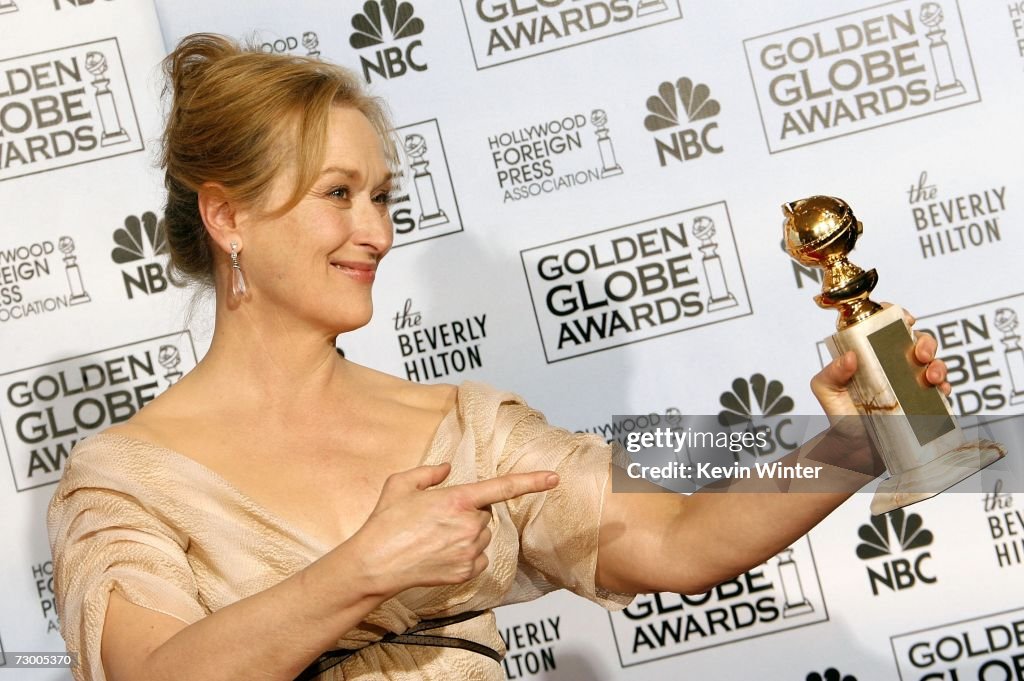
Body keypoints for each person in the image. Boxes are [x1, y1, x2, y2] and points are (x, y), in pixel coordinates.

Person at [47, 34, 951, 681]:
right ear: (227, 216)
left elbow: (670, 546)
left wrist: (854, 446)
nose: (376, 231)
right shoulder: (128, 477)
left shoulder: (458, 427)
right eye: (339, 194)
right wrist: (363, 567)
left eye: (383, 196)